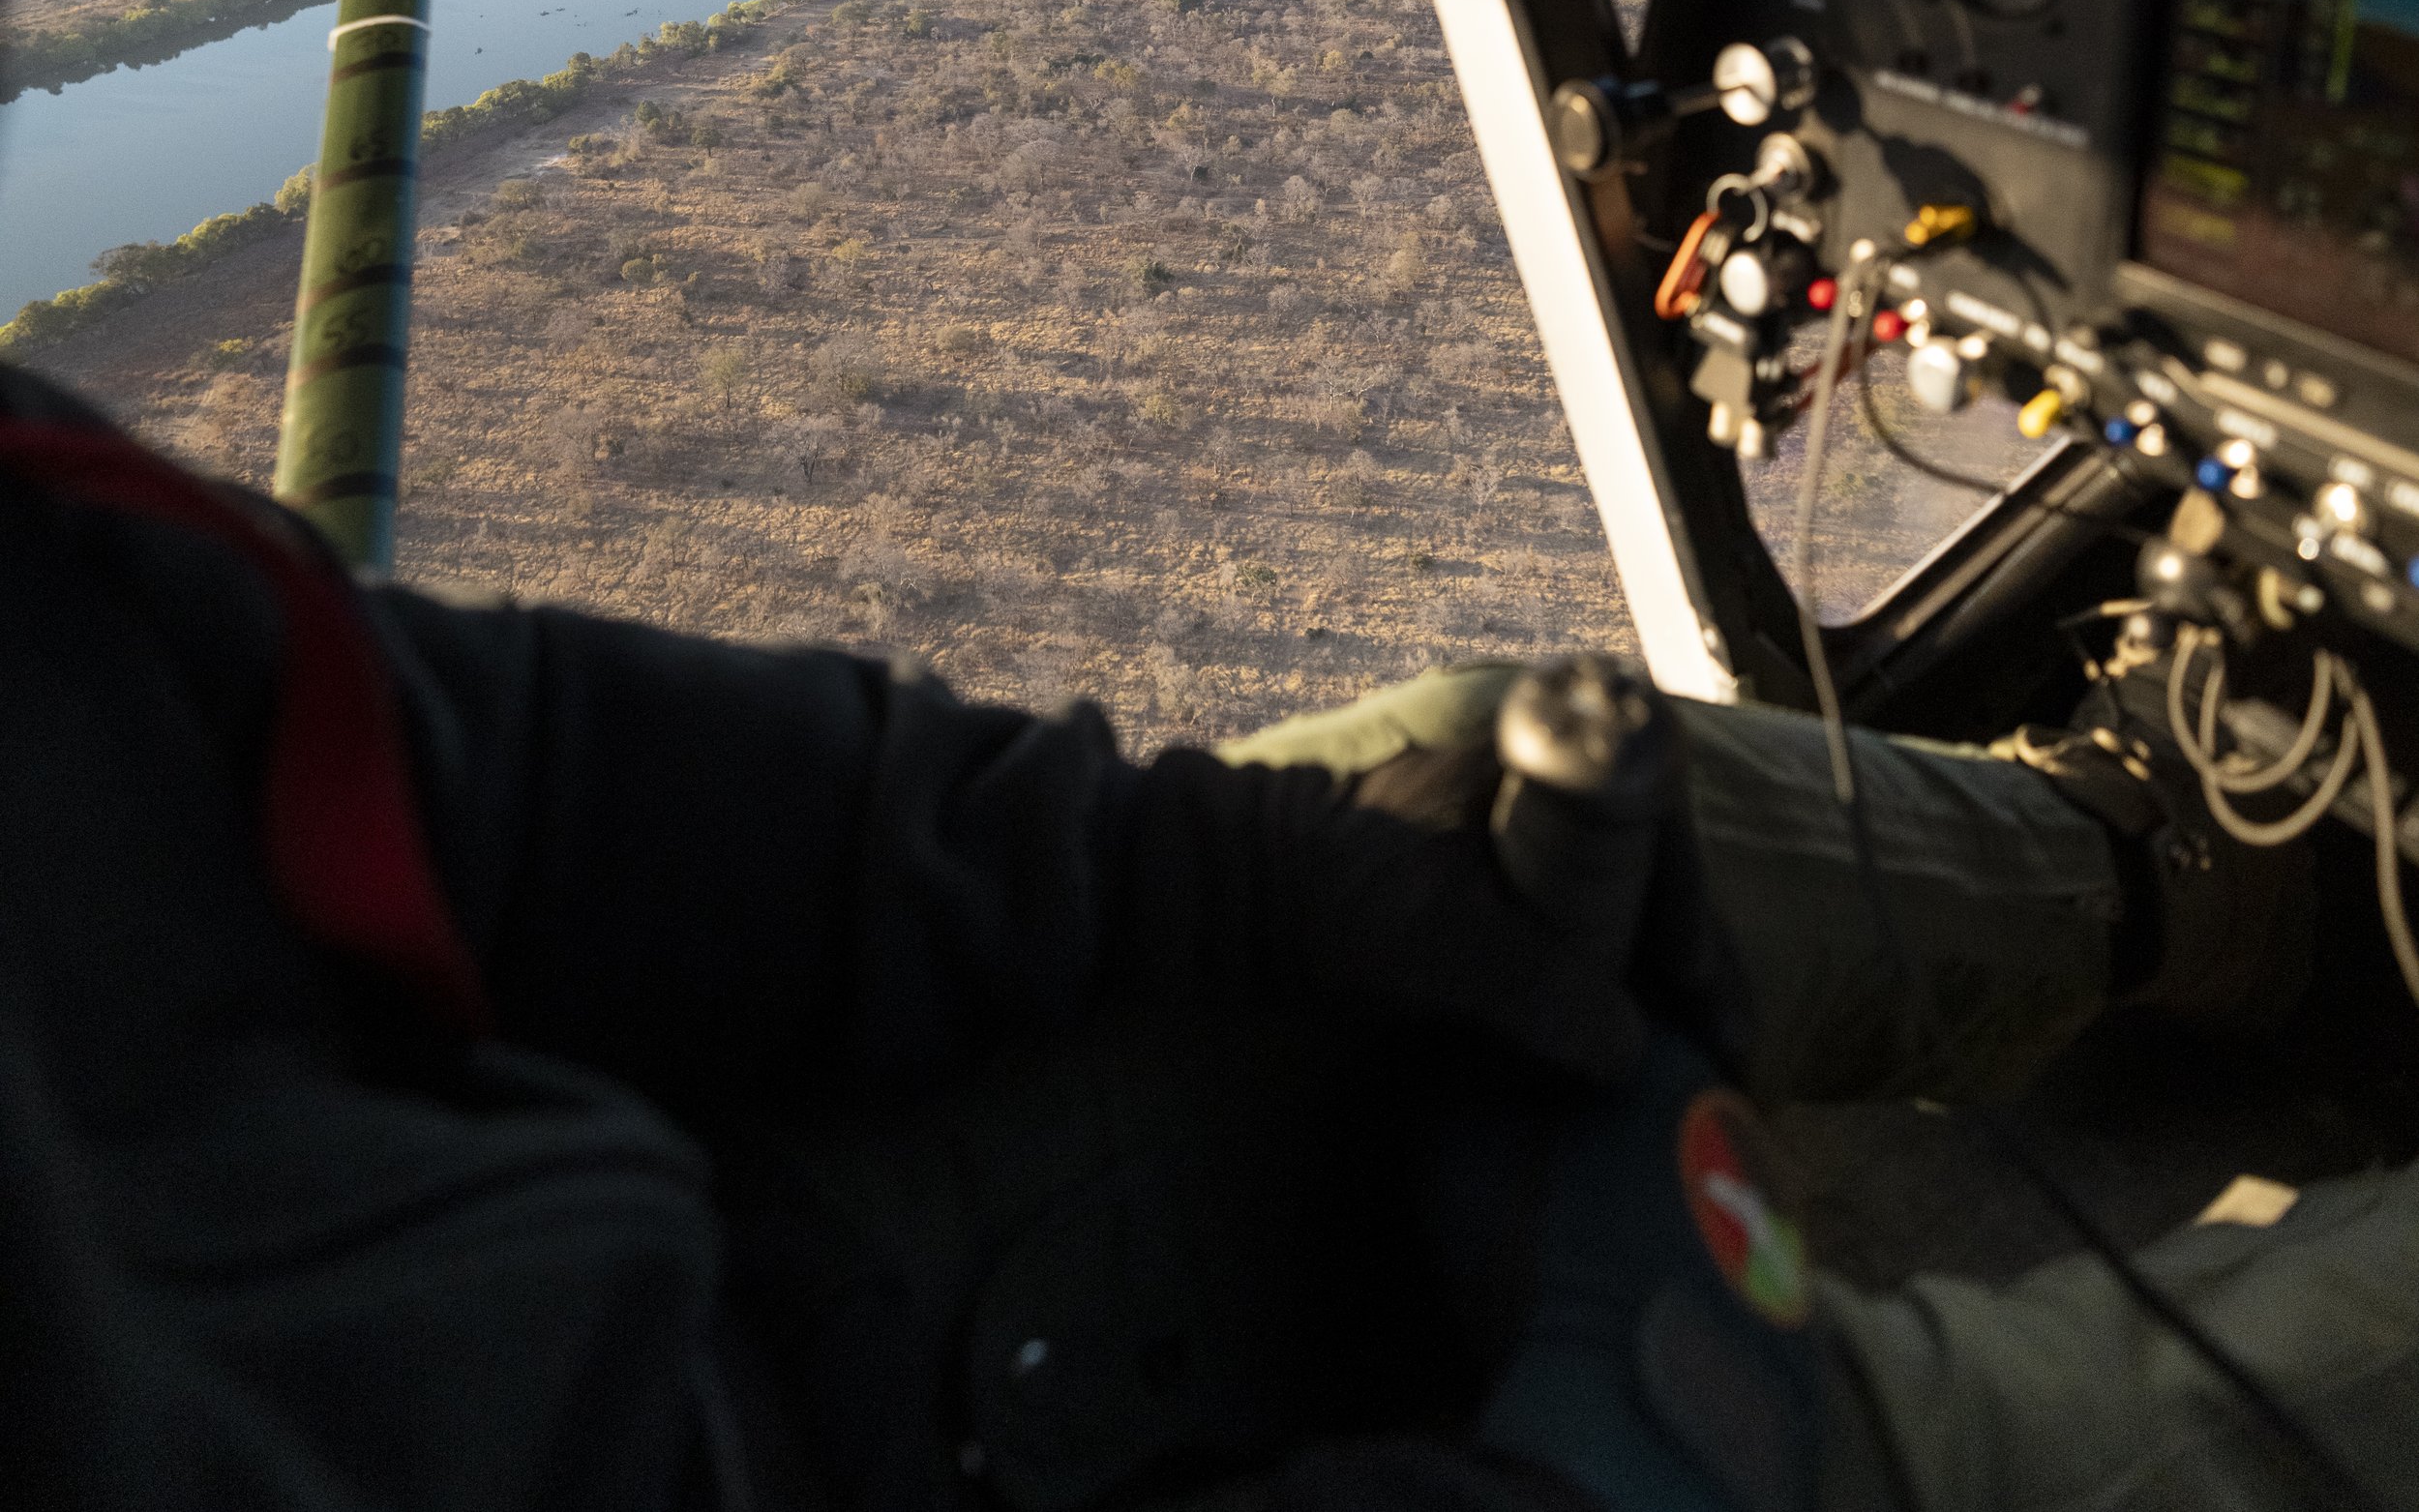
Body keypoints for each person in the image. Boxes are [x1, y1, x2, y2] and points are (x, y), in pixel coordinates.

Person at [0, 352, 2410, 1512]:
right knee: (1947, 1444)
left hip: (732, 1232)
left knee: (1492, 766)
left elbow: (488, 769)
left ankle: (2190, 896)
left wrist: (1231, 882)